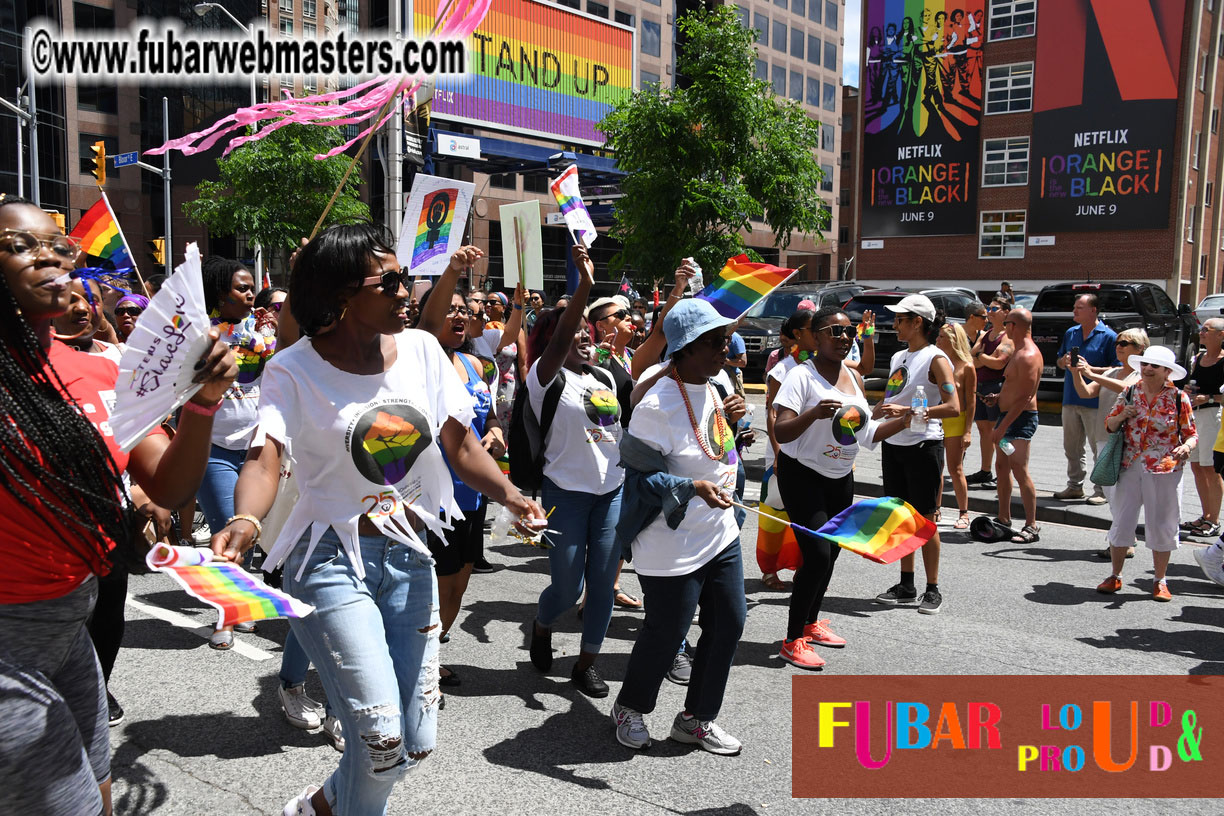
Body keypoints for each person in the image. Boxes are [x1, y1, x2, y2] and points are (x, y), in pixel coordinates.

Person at [210, 226, 543, 816]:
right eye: (387, 282)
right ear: (341, 293)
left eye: (403, 278)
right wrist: (246, 518)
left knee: (415, 743)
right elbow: (266, 457)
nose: (405, 291)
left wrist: (512, 494)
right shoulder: (293, 369)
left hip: (409, 554)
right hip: (329, 562)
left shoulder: (421, 349)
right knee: (381, 740)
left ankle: (317, 807)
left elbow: (460, 445)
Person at [0, 194, 236, 816]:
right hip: (7, 643)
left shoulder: (101, 373)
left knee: (99, 790)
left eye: (57, 245)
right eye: (20, 245)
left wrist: (203, 402)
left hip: (71, 621)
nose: (48, 256)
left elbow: (166, 484)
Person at [611, 299, 747, 755]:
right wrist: (691, 486)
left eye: (725, 341)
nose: (722, 351)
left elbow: (717, 449)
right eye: (712, 343)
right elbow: (640, 479)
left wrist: (734, 425)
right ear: (684, 348)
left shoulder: (717, 384)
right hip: (669, 542)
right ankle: (630, 706)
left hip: (719, 531)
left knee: (729, 622)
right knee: (667, 633)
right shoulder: (657, 403)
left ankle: (696, 718)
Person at [773, 307, 909, 669]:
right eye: (835, 332)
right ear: (815, 337)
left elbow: (869, 436)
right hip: (801, 473)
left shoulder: (854, 379)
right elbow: (781, 431)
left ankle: (810, 622)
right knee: (816, 555)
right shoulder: (801, 377)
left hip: (840, 475)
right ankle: (792, 640)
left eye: (849, 333)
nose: (844, 338)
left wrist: (903, 420)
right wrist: (813, 414)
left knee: (832, 553)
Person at [525, 246, 625, 698]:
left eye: (588, 332)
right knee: (567, 589)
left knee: (602, 586)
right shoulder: (543, 378)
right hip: (565, 493)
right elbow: (563, 334)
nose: (584, 337)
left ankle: (586, 663)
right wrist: (583, 286)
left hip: (612, 493)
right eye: (575, 332)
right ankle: (543, 624)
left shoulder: (603, 378)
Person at [419, 282, 503, 690]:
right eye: (448, 308)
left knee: (462, 574)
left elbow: (487, 416)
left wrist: (496, 431)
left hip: (472, 490)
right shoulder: (416, 365)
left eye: (462, 309)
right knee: (436, 577)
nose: (458, 315)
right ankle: (418, 656)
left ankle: (432, 651)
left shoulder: (475, 365)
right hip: (432, 493)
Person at [194, 257, 276, 649]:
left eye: (250, 289)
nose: (249, 294)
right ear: (219, 294)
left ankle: (237, 604)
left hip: (255, 449)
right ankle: (226, 615)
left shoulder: (261, 334)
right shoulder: (199, 334)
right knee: (225, 527)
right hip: (212, 448)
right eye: (241, 289)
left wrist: (270, 339)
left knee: (247, 532)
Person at [872, 294, 958, 614]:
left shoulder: (936, 359)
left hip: (924, 447)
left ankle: (932, 589)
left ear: (917, 322)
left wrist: (909, 411)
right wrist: (860, 421)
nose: (894, 325)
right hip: (894, 445)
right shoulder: (898, 357)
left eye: (900, 320)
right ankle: (906, 585)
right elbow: (888, 399)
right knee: (900, 519)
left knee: (924, 520)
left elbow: (953, 406)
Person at [1098, 347, 1196, 602]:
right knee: (1122, 519)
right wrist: (1122, 415)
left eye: (1154, 365)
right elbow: (1108, 424)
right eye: (1145, 364)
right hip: (1130, 465)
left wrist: (1186, 447)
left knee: (1163, 522)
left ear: (1167, 372)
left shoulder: (1178, 398)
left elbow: (1192, 434)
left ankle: (1160, 580)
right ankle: (1115, 575)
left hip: (1165, 467)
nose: (1148, 369)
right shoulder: (1129, 392)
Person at [586, 294, 643, 611]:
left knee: (625, 525)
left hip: (633, 450)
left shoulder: (632, 355)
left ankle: (611, 585)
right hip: (607, 454)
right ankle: (591, 595)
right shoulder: (595, 361)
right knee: (607, 528)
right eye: (621, 314)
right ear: (600, 325)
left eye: (629, 313)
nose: (629, 318)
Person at [1070, 327, 1146, 558]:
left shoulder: (1143, 374)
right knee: (1112, 493)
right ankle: (1124, 536)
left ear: (1140, 348)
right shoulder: (1112, 372)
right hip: (1106, 438)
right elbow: (1085, 393)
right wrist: (1076, 372)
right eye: (1118, 343)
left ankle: (1123, 540)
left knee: (1125, 493)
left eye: (1126, 343)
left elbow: (1130, 390)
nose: (1119, 346)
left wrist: (1092, 373)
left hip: (1131, 442)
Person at [1055, 293, 1118, 504]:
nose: (1074, 311)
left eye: (1079, 307)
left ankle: (1101, 490)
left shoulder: (1109, 336)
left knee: (1097, 446)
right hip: (1071, 397)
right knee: (1071, 446)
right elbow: (1059, 361)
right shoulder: (1071, 333)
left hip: (1095, 401)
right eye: (1074, 307)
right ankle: (1074, 486)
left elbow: (1118, 369)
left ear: (1093, 310)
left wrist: (1090, 370)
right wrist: (1063, 362)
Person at [990, 308, 1043, 543]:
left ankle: (1031, 525)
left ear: (1013, 326)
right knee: (1002, 467)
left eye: (1006, 324)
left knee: (1019, 468)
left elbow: (1025, 396)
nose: (1004, 328)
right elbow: (1014, 388)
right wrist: (998, 397)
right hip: (1007, 415)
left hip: (1020, 419)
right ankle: (1004, 518)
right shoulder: (1018, 352)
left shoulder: (1028, 355)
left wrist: (1002, 428)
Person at [1180, 319, 1224, 537]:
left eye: (1207, 330)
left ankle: (1214, 520)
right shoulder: (1198, 357)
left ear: (1221, 335)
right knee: (1196, 466)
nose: (1202, 333)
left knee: (1211, 468)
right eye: (1202, 330)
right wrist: (1188, 389)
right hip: (1194, 415)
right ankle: (1206, 515)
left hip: (1213, 416)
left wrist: (1207, 397)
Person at [967, 298, 1013, 488]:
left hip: (997, 387)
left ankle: (1002, 473)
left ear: (1006, 313)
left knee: (996, 432)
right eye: (989, 308)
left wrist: (981, 357)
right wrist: (985, 358)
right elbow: (972, 359)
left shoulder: (1007, 336)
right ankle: (986, 471)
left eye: (995, 308)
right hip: (981, 386)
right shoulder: (984, 335)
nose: (990, 311)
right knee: (984, 430)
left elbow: (999, 362)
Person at [936, 322, 976, 530]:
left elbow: (971, 401)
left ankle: (964, 513)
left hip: (957, 419)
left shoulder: (966, 367)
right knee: (937, 467)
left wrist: (968, 431)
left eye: (942, 337)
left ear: (953, 340)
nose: (937, 340)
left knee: (955, 468)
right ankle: (936, 508)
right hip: (937, 418)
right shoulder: (938, 362)